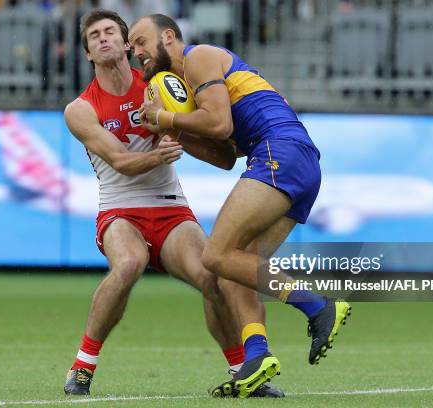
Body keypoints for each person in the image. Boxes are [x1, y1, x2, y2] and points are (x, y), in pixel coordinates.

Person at [62, 9, 283, 398]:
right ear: (87, 54)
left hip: (170, 207)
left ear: (128, 43)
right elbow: (121, 163)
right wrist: (161, 150)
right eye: (94, 36)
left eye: (110, 31)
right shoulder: (81, 109)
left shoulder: (161, 87)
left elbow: (222, 154)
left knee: (214, 277)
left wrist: (179, 127)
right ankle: (82, 367)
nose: (103, 39)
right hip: (120, 208)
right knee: (129, 264)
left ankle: (240, 372)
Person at [131, 13, 352, 395]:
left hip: (279, 152)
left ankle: (317, 306)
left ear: (168, 37)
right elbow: (224, 156)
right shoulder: (189, 83)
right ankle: (257, 355)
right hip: (294, 161)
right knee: (234, 268)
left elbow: (219, 125)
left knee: (215, 255)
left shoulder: (198, 57)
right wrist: (172, 129)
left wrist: (164, 115)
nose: (136, 53)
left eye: (140, 42)